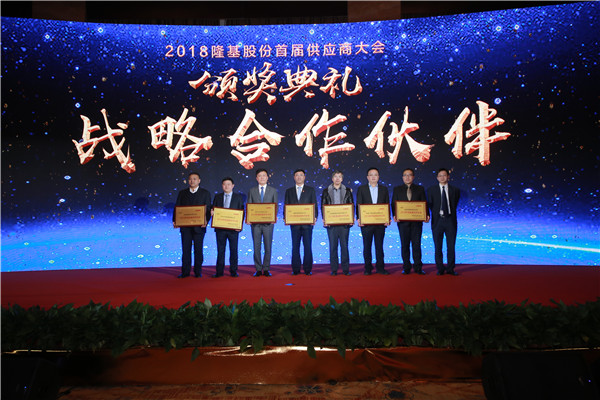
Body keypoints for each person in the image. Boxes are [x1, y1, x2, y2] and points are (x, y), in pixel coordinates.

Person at [173, 172, 212, 278]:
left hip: (199, 227)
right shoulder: (182, 193)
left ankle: (198, 271)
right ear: (188, 181)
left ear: (199, 180)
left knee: (198, 250)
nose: (192, 181)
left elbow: (208, 208)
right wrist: (175, 220)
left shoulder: (205, 193)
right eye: (190, 179)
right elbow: (177, 207)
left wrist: (206, 221)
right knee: (186, 250)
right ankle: (185, 272)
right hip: (185, 227)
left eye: (195, 179)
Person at [392, 168, 430, 275]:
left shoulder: (420, 189)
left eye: (409, 175)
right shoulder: (397, 189)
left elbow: (424, 203)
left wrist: (426, 215)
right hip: (403, 222)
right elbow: (393, 203)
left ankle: (418, 267)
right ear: (402, 177)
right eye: (405, 175)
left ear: (413, 177)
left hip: (416, 223)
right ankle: (406, 267)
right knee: (405, 245)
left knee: (416, 245)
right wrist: (395, 215)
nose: (407, 177)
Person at [356, 167, 390, 275]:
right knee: (367, 246)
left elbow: (387, 204)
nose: (373, 177)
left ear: (378, 177)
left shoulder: (384, 189)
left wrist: (387, 218)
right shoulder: (362, 189)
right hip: (366, 223)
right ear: (367, 177)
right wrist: (359, 218)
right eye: (371, 175)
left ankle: (380, 268)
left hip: (380, 223)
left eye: (375, 174)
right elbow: (359, 204)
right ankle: (368, 268)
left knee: (379, 246)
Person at [427, 168, 461, 276]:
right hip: (437, 221)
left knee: (451, 246)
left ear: (448, 177)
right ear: (437, 177)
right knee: (438, 246)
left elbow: (454, 204)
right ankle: (440, 268)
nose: (442, 177)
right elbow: (430, 205)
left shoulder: (455, 190)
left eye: (444, 175)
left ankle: (451, 268)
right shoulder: (431, 190)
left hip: (450, 220)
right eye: (440, 175)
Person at [284, 169, 318, 275]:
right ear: (294, 177)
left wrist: (315, 217)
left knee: (307, 247)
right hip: (294, 224)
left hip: (307, 224)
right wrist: (286, 217)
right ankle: (296, 269)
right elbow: (286, 205)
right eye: (297, 175)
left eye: (301, 175)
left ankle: (308, 269)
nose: (299, 177)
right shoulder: (289, 191)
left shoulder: (310, 190)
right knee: (295, 247)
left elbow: (314, 204)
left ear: (304, 177)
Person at [321, 170, 354, 276]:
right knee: (333, 247)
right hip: (331, 223)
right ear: (332, 178)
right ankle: (334, 269)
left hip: (344, 223)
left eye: (339, 176)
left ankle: (346, 269)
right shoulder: (326, 191)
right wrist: (325, 219)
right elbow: (323, 205)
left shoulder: (347, 191)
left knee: (344, 247)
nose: (337, 178)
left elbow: (351, 205)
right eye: (335, 176)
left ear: (342, 179)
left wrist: (351, 218)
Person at [246, 169, 278, 277]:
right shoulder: (252, 190)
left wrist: (273, 217)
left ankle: (266, 268)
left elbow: (275, 205)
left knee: (268, 246)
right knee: (256, 247)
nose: (262, 177)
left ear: (267, 177)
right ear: (256, 178)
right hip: (255, 224)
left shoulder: (273, 190)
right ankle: (258, 269)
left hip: (268, 224)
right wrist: (248, 218)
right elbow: (249, 205)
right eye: (260, 176)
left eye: (264, 175)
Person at [211, 177, 245, 278]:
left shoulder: (238, 197)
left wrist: (239, 226)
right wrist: (212, 212)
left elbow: (242, 212)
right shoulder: (217, 197)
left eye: (228, 184)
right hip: (220, 229)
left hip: (233, 229)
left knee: (233, 250)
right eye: (224, 184)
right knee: (220, 250)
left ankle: (233, 271)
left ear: (233, 186)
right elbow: (213, 209)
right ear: (222, 186)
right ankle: (219, 272)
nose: (226, 186)